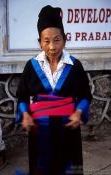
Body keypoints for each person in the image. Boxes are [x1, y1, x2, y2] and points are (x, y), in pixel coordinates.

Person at [16, 5, 92, 175]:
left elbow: (85, 95)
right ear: (40, 42)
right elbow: (21, 96)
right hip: (39, 132)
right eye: (47, 41)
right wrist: (26, 115)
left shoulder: (75, 66)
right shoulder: (31, 66)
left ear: (65, 40)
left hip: (68, 131)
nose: (52, 46)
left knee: (71, 169)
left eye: (57, 40)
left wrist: (79, 112)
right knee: (40, 169)